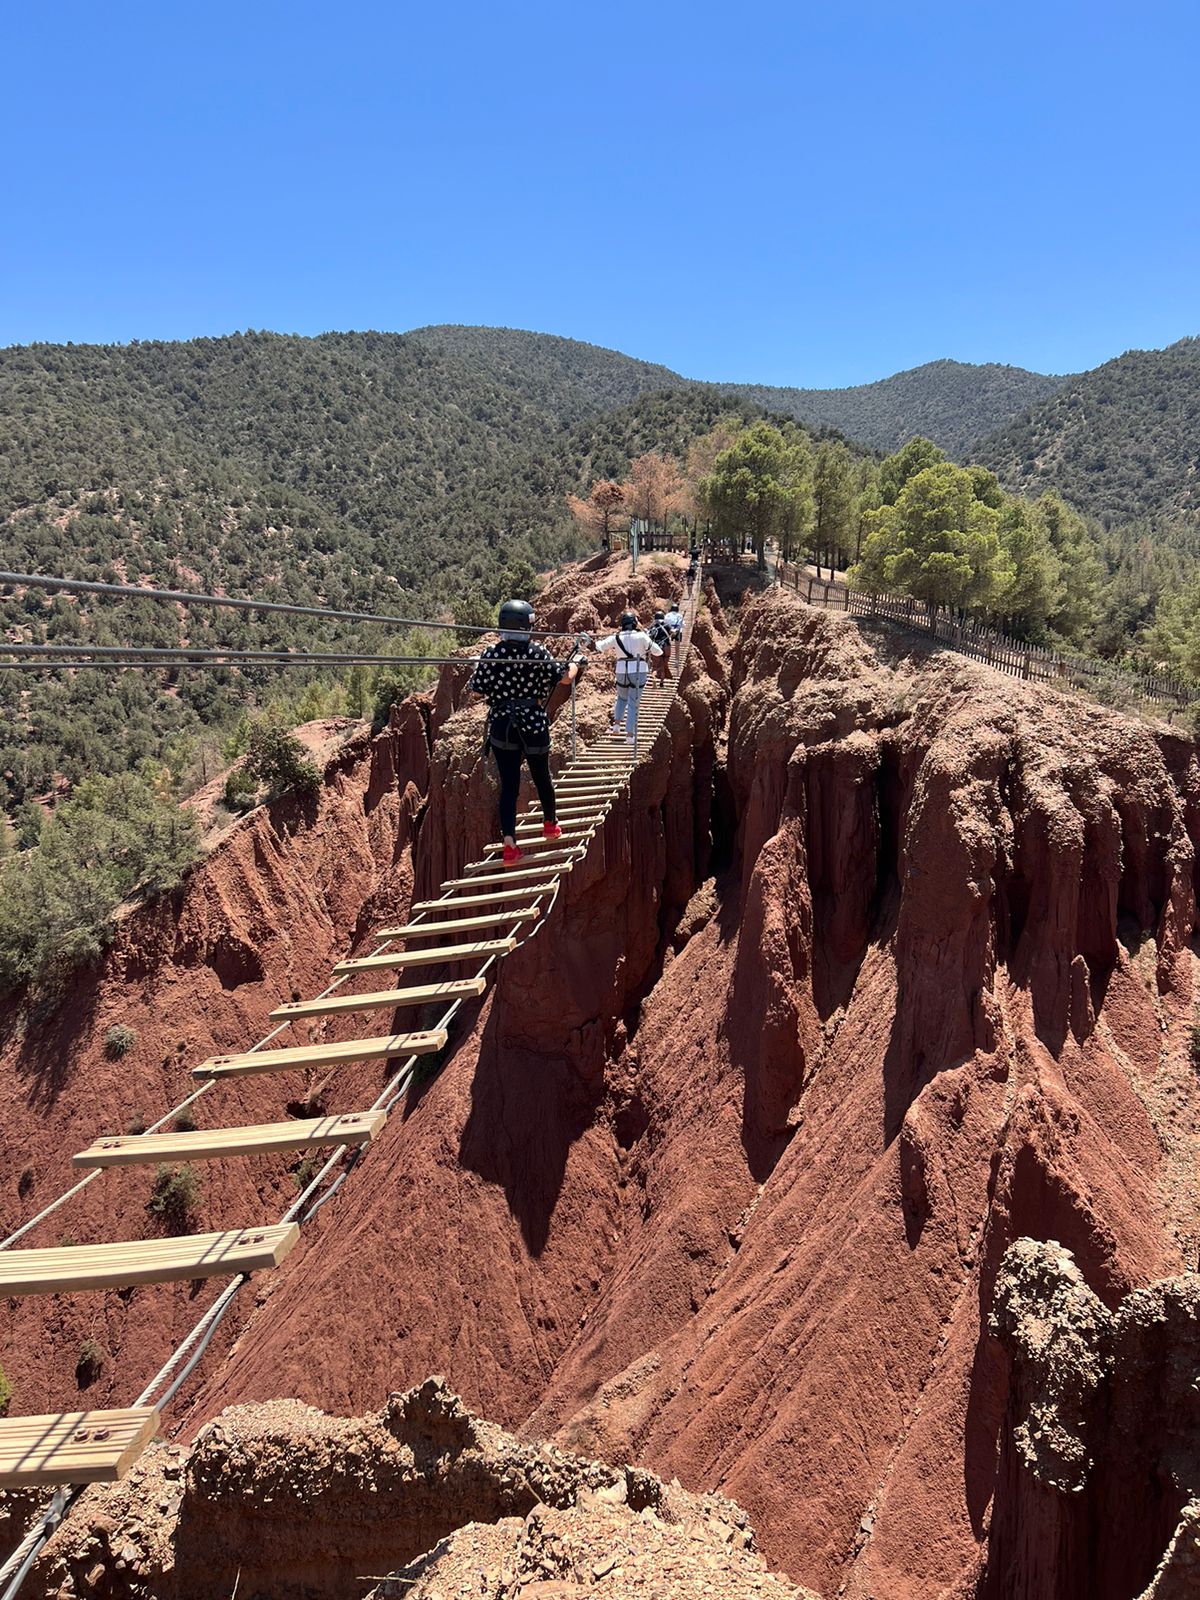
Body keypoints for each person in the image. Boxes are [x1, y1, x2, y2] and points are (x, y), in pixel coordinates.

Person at [469, 599, 580, 867]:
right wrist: (576, 662)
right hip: (533, 724)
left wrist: (486, 673)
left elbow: (476, 691)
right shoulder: (539, 652)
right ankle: (550, 826)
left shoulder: (491, 654)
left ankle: (509, 847)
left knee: (509, 787)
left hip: (502, 726)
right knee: (542, 777)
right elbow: (565, 678)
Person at [591, 610, 667, 745]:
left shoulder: (616, 636)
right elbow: (658, 651)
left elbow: (599, 646)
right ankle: (630, 735)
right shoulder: (641, 636)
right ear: (633, 623)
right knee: (633, 702)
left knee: (621, 698)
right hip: (638, 670)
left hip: (621, 670)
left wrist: (588, 640)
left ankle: (616, 725)